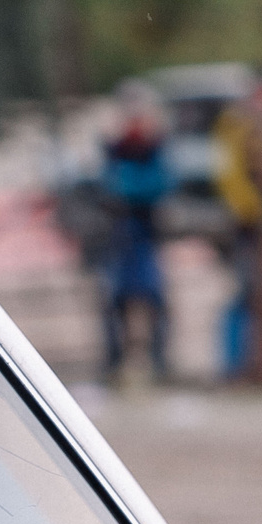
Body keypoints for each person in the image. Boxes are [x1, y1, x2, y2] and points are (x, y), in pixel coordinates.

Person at [98, 82, 171, 383]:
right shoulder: (113, 150)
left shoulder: (154, 150)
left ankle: (159, 362)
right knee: (114, 303)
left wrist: (127, 190)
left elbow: (157, 185)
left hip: (145, 236)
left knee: (155, 301)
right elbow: (106, 188)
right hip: (118, 238)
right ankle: (116, 364)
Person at [212, 72, 262, 379]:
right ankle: (234, 363)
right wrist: (252, 211)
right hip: (247, 225)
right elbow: (230, 178)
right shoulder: (235, 128)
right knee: (245, 292)